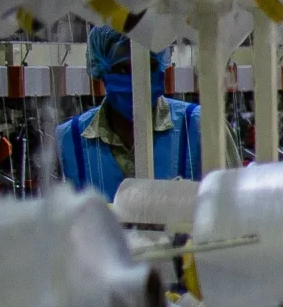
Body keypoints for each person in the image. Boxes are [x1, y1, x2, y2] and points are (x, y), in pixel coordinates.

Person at [58, 26, 202, 198]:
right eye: (123, 70)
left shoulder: (198, 126)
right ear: (101, 71)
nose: (138, 79)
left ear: (162, 68)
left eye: (149, 66)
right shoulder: (68, 140)